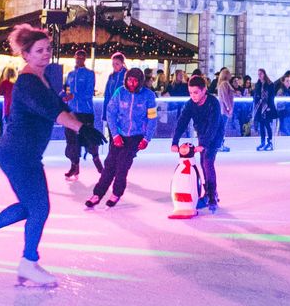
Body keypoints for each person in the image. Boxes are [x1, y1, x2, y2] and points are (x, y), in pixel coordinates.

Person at [0, 25, 76, 288]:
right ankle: (27, 261)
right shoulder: (27, 82)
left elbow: (59, 106)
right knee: (39, 207)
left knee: (32, 206)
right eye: (39, 51)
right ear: (26, 55)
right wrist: (81, 128)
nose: (46, 54)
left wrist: (84, 127)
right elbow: (51, 112)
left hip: (25, 154)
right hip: (18, 153)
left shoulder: (43, 79)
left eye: (48, 49)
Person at [88, 62, 157, 209]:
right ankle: (97, 194)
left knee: (122, 166)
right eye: (129, 79)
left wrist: (147, 138)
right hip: (119, 134)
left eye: (135, 80)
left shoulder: (148, 96)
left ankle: (116, 193)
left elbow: (152, 118)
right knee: (109, 166)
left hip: (136, 137)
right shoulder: (120, 92)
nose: (132, 83)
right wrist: (115, 135)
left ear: (140, 81)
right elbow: (111, 113)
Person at [171, 74, 226, 212]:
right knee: (202, 163)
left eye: (196, 92)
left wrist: (204, 144)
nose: (193, 96)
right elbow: (182, 122)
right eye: (190, 93)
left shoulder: (213, 103)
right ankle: (208, 193)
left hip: (215, 136)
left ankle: (212, 197)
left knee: (207, 162)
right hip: (202, 135)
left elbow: (214, 125)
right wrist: (175, 141)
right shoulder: (190, 104)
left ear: (203, 90)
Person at [63, 53, 105, 180]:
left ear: (84, 59)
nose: (79, 60)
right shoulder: (70, 75)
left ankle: (97, 160)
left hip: (85, 111)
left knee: (89, 137)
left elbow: (88, 92)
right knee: (71, 139)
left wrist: (74, 96)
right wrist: (64, 95)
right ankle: (74, 165)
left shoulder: (89, 74)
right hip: (71, 111)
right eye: (77, 57)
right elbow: (67, 90)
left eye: (81, 57)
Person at [252, 69, 279, 150]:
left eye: (261, 74)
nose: (259, 75)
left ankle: (270, 142)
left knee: (267, 124)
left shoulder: (270, 84)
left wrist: (269, 106)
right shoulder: (258, 84)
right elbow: (256, 95)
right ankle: (262, 142)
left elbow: (271, 96)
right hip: (259, 108)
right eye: (258, 74)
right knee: (261, 125)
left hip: (267, 108)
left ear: (264, 74)